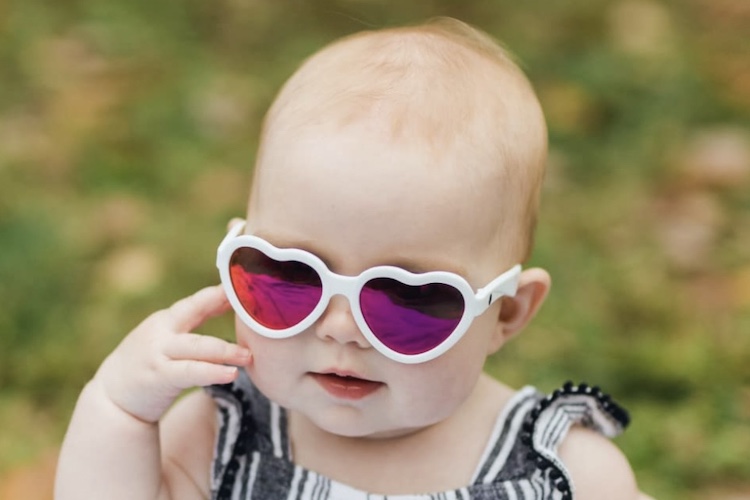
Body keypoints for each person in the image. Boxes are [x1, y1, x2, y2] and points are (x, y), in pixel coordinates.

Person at [55, 18, 654, 500]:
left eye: (408, 300)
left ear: (506, 313)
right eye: (290, 277)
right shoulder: (219, 438)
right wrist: (119, 412)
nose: (341, 329)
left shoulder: (566, 474)